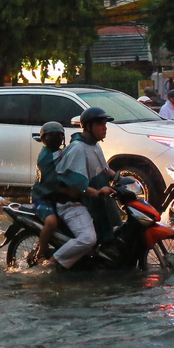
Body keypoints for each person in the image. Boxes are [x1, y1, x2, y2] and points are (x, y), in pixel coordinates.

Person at [51, 108, 117, 269]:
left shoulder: (94, 145)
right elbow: (76, 184)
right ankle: (51, 263)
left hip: (91, 200)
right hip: (72, 203)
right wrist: (98, 192)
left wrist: (122, 179)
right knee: (88, 238)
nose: (105, 127)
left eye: (105, 123)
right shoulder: (78, 148)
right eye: (100, 124)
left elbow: (105, 170)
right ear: (88, 126)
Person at [31, 122, 67, 264]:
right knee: (51, 222)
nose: (55, 138)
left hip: (56, 196)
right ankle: (41, 252)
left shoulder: (58, 153)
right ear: (44, 139)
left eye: (58, 135)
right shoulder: (47, 156)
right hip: (43, 196)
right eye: (51, 136)